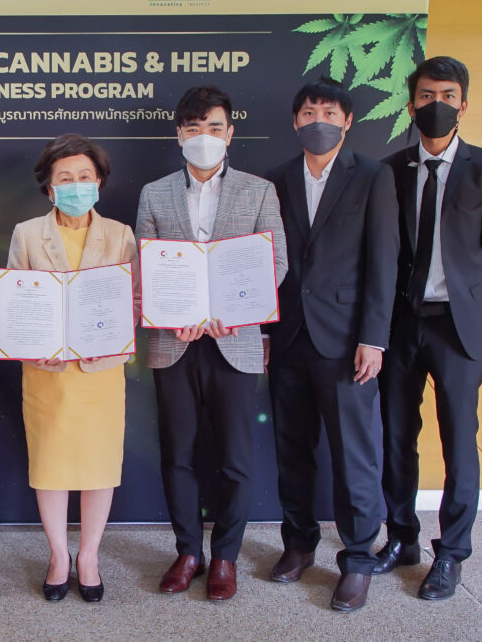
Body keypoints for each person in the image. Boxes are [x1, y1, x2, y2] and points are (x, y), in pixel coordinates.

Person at [136, 85, 288, 601]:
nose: (205, 137)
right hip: (173, 341)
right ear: (179, 135)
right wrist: (171, 312)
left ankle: (225, 555)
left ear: (230, 133)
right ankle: (188, 552)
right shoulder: (154, 193)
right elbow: (145, 266)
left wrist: (235, 311)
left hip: (234, 340)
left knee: (235, 457)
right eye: (194, 128)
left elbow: (276, 262)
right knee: (178, 453)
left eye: (215, 127)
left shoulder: (259, 191)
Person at [374, 56, 482, 600]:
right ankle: (401, 538)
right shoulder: (389, 169)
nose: (438, 104)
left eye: (448, 96)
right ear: (412, 106)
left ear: (464, 104)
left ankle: (452, 552)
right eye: (427, 96)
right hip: (399, 322)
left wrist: (470, 309)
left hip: (456, 326)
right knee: (395, 437)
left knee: (458, 440)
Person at [263, 79, 399, 611]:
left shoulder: (372, 176)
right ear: (295, 121)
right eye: (308, 112)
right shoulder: (276, 179)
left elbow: (383, 262)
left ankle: (359, 558)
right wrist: (266, 332)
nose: (317, 119)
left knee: (355, 454)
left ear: (347, 120)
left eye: (328, 112)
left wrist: (374, 338)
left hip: (347, 342)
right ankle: (298, 544)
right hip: (289, 337)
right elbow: (265, 262)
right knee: (292, 450)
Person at [6, 133, 138, 603]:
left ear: (98, 183)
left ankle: (90, 557)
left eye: (85, 176)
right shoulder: (26, 234)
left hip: (101, 373)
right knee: (51, 465)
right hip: (48, 373)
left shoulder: (120, 235)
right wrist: (33, 346)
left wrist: (112, 336)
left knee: (99, 466)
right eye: (65, 178)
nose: (76, 185)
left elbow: (134, 302)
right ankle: (59, 556)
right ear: (50, 188)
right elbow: (15, 304)